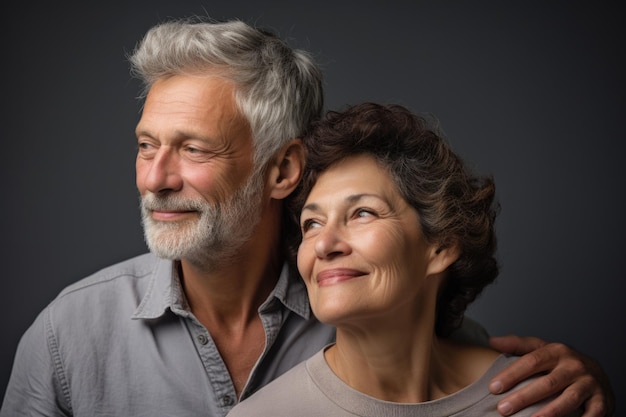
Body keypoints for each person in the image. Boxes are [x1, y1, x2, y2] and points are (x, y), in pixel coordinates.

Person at [0, 18, 613, 417]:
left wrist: (584, 385)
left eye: (193, 148)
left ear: (282, 170)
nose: (154, 179)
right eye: (145, 145)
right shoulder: (65, 338)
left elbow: (475, 386)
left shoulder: (371, 305)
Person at [227, 102, 581, 416]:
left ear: (440, 246)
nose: (324, 245)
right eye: (312, 224)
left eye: (363, 213)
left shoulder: (546, 399)